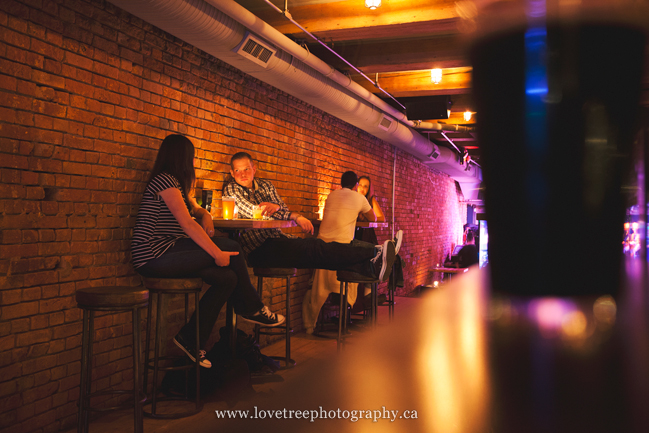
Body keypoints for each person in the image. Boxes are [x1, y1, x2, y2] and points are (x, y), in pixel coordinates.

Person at [131, 135, 285, 369]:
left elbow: (193, 210)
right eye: (191, 158)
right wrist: (216, 253)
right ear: (182, 158)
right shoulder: (165, 181)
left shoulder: (175, 184)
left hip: (171, 250)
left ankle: (190, 338)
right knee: (231, 247)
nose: (192, 163)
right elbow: (187, 224)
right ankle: (252, 307)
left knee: (228, 278)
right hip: (154, 255)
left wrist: (205, 214)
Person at [222, 152, 397, 284]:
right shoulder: (232, 190)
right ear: (232, 172)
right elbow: (252, 211)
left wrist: (288, 213)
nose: (242, 174)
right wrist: (276, 209)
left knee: (319, 251)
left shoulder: (266, 185)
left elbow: (282, 209)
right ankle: (378, 253)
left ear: (254, 168)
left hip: (278, 239)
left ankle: (376, 260)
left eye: (246, 169)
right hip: (258, 250)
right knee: (314, 248)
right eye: (237, 170)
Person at [302, 171, 377, 334]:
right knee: (368, 252)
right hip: (342, 250)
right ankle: (368, 291)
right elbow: (374, 218)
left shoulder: (331, 196)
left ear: (341, 183)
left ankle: (311, 325)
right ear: (356, 185)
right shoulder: (360, 198)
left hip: (320, 247)